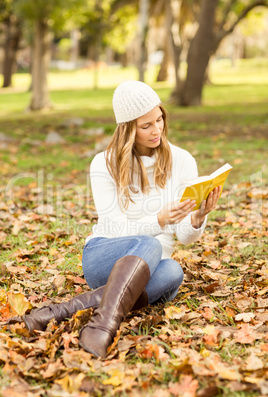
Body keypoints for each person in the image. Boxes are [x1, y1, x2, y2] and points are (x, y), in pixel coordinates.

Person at [16, 81, 221, 358]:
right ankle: (105, 325)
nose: (157, 129)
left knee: (173, 271)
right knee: (151, 244)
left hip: (152, 267)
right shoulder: (104, 163)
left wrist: (197, 216)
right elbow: (113, 227)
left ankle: (58, 315)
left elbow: (184, 236)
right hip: (103, 255)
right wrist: (158, 220)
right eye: (145, 125)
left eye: (159, 119)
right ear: (127, 128)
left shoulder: (182, 161)